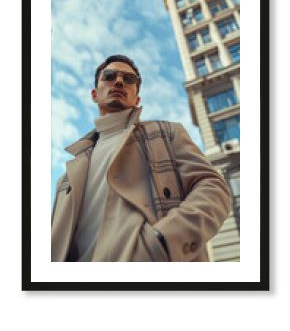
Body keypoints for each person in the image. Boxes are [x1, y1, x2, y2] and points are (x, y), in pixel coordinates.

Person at [52, 54, 231, 262]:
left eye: (129, 80)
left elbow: (213, 187)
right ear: (94, 94)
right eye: (109, 76)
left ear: (137, 99)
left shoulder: (166, 133)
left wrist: (164, 241)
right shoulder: (68, 175)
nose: (119, 81)